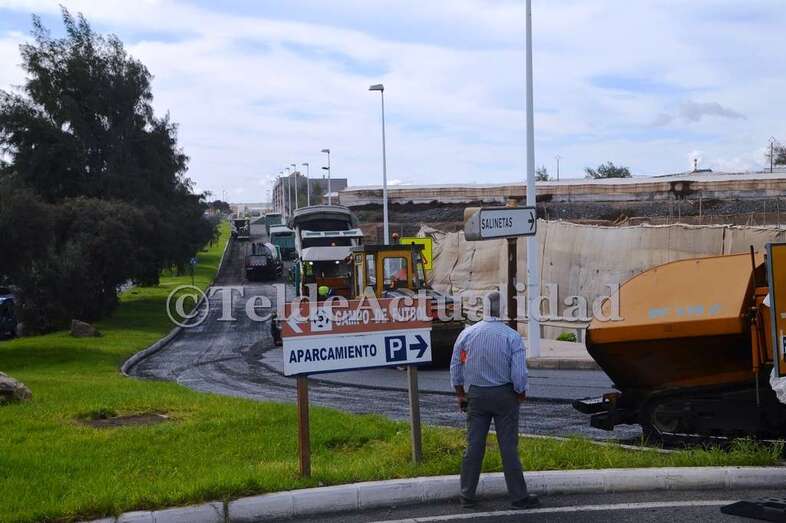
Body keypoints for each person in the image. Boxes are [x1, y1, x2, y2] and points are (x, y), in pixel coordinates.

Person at [449, 290, 539, 510]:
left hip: (477, 396)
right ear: (504, 310)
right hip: (504, 396)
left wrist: (461, 393)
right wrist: (520, 392)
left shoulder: (468, 334)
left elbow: (455, 366)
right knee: (508, 447)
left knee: (474, 446)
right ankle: (518, 497)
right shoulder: (511, 336)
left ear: (484, 308)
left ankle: (467, 495)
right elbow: (519, 374)